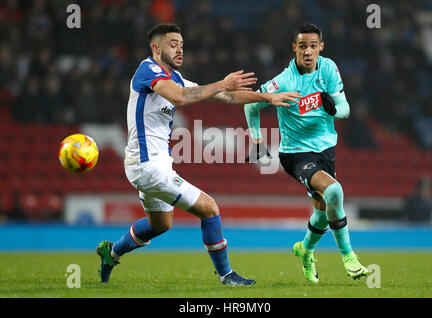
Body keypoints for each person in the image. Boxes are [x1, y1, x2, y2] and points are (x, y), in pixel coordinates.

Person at [96, 23, 301, 286]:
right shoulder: (148, 70)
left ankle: (111, 253)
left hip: (154, 164)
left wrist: (266, 98)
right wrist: (220, 83)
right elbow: (180, 98)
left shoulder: (177, 79)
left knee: (159, 224)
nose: (180, 49)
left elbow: (226, 96)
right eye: (173, 44)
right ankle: (227, 275)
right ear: (156, 48)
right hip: (147, 164)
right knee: (209, 208)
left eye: (181, 44)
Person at [244, 23, 368, 283]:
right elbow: (251, 105)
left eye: (313, 46)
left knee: (323, 211)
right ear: (294, 49)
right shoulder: (284, 81)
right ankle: (349, 257)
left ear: (321, 47)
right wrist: (256, 139)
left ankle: (305, 249)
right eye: (303, 46)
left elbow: (345, 107)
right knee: (334, 191)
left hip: (325, 150)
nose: (308, 51)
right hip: (296, 154)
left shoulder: (328, 68)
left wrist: (333, 109)